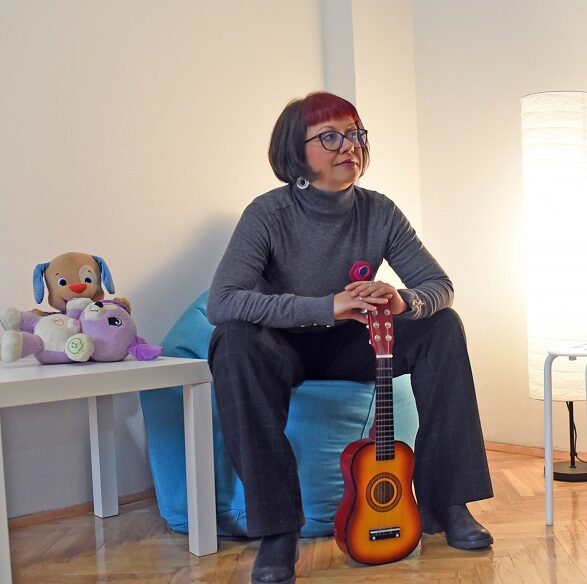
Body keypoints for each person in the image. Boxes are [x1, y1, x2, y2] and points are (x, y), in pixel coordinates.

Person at [207, 91, 493, 584]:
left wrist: (403, 299)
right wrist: (326, 306)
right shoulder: (268, 213)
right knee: (233, 342)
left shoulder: (379, 211)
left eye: (356, 134)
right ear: (296, 151)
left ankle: (447, 504)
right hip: (283, 346)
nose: (350, 146)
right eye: (330, 137)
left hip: (356, 344)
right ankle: (278, 532)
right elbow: (223, 301)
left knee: (443, 326)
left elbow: (439, 285)